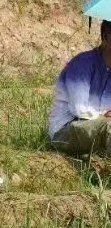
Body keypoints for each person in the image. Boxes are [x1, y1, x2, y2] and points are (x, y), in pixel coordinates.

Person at [47, 19, 111, 155]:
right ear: (105, 37)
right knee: (109, 128)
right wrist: (104, 116)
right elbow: (79, 109)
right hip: (66, 129)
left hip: (98, 129)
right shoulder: (82, 63)